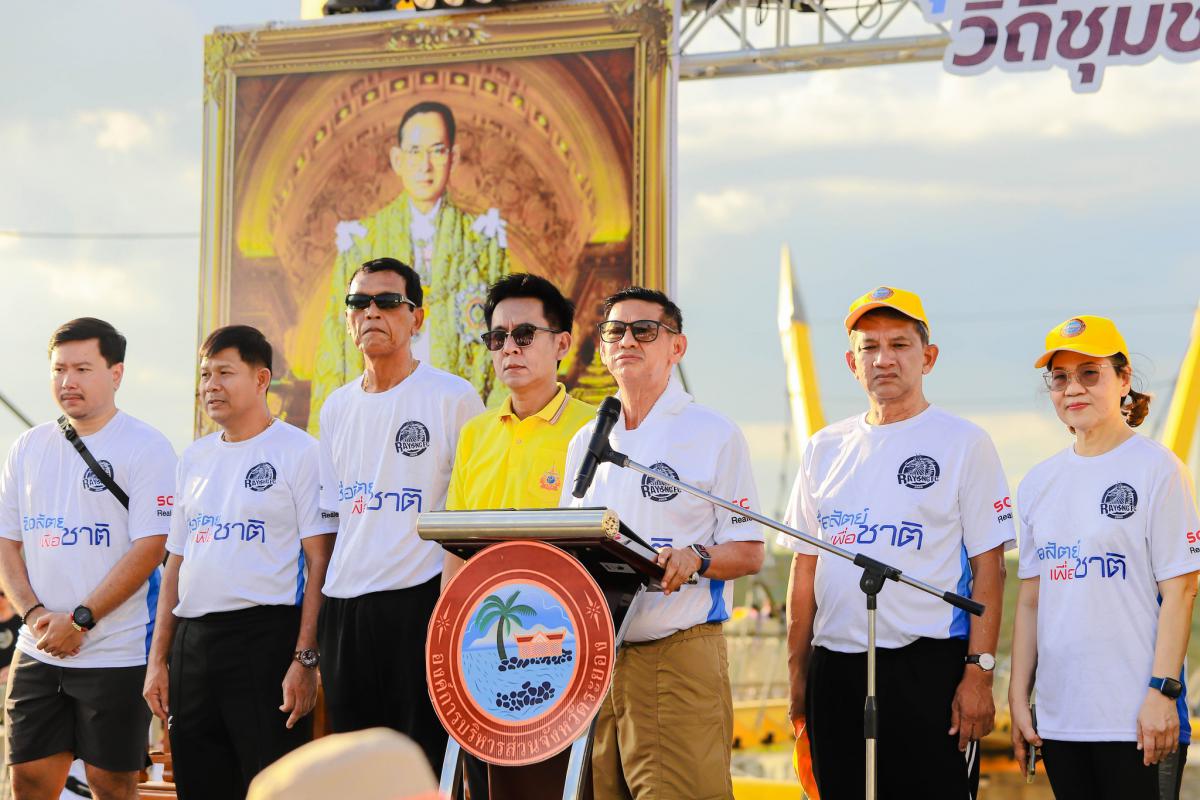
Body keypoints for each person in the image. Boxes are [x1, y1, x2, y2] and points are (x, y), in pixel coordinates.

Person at [781, 286, 1013, 800]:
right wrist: (798, 673)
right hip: (835, 666)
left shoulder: (964, 442)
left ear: (928, 357)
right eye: (869, 347)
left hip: (927, 665)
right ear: (852, 363)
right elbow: (805, 569)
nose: (883, 359)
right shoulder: (824, 448)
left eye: (900, 345)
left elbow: (989, 568)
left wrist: (979, 674)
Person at [563, 287, 764, 800]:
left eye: (644, 330)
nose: (627, 340)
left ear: (677, 347)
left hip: (677, 654)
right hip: (595, 665)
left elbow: (748, 549)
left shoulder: (712, 433)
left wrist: (695, 557)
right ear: (602, 348)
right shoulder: (585, 441)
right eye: (615, 331)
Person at [141, 325, 336, 799]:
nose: (211, 385)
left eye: (224, 373)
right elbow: (175, 565)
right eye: (205, 375)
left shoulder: (302, 452)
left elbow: (320, 561)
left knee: (273, 787)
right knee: (199, 783)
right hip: (193, 645)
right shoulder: (194, 459)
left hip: (265, 642)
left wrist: (305, 660)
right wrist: (158, 661)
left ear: (262, 378)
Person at [1010, 315, 1199, 800]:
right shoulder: (1038, 483)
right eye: (1060, 378)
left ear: (1124, 379)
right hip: (1062, 720)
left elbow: (1181, 591)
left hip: (1139, 720)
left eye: (1089, 373)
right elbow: (1031, 601)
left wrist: (1162, 692)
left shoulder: (1159, 470)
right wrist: (1018, 696)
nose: (1073, 388)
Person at [317, 257, 484, 771]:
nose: (371, 312)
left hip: (419, 601)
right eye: (358, 302)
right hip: (344, 607)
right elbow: (333, 520)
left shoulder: (452, 396)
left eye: (388, 302)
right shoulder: (336, 407)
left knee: (420, 763)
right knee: (356, 768)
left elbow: (472, 515)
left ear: (417, 318)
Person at [0, 318, 176, 800]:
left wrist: (80, 620)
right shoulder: (28, 447)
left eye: (82, 369)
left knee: (111, 785)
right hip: (37, 648)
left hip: (116, 651)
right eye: (59, 369)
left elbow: (151, 547)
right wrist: (35, 617)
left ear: (116, 374)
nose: (67, 381)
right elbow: (6, 542)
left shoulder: (147, 446)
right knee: (29, 780)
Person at [442, 273, 595, 797]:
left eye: (524, 335)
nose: (509, 347)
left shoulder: (596, 433)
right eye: (497, 337)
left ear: (562, 344)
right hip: (482, 647)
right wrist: (448, 642)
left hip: (565, 650)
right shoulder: (475, 435)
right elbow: (456, 548)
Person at [309, 100, 510, 432]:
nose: (425, 165)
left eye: (437, 151)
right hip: (377, 420)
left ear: (453, 157)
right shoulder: (362, 241)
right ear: (397, 159)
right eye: (415, 152)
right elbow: (334, 351)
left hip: (459, 423)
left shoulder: (482, 242)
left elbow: (504, 346)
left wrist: (491, 436)